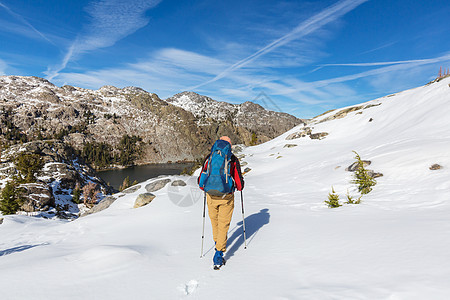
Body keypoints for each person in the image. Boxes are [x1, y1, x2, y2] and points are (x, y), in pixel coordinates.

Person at [198, 136, 244, 269]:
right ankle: (218, 254)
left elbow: (202, 178)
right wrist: (239, 187)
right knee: (223, 225)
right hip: (226, 197)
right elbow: (239, 184)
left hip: (211, 195)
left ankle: (218, 243)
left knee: (215, 223)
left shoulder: (210, 157)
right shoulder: (232, 159)